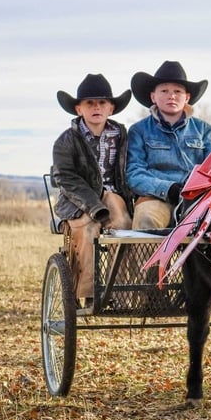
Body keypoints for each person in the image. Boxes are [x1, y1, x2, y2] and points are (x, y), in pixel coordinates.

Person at [52, 73, 133, 307]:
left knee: (123, 229)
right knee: (87, 230)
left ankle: (116, 292)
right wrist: (93, 205)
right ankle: (88, 293)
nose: (96, 107)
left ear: (111, 108)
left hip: (114, 196)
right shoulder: (66, 141)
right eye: (89, 103)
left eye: (101, 103)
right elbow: (65, 178)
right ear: (79, 109)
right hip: (78, 200)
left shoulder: (122, 136)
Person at [127, 60, 211, 229]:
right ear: (153, 96)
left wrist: (194, 190)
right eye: (164, 91)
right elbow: (134, 174)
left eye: (178, 91)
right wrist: (169, 189)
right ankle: (145, 257)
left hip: (197, 200)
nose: (172, 95)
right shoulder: (138, 130)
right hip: (155, 198)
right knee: (147, 219)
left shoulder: (204, 130)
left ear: (187, 98)